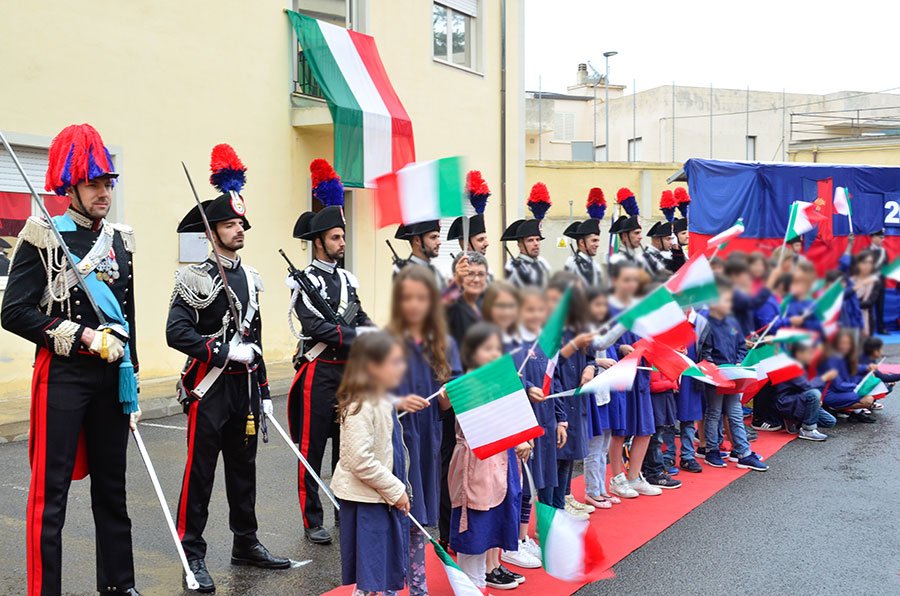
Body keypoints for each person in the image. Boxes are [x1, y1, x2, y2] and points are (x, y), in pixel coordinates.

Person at [1, 123, 140, 595]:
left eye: (108, 184)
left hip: (112, 378)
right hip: (63, 375)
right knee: (51, 493)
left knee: (113, 488)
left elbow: (128, 315)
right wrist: (81, 335)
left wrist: (133, 382)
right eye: (93, 184)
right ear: (71, 187)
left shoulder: (121, 240)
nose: (104, 193)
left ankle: (119, 585)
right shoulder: (42, 235)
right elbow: (14, 312)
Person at [168, 147, 289, 592]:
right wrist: (221, 353)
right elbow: (176, 332)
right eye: (230, 224)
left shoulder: (251, 278)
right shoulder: (194, 277)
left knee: (244, 470)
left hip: (245, 390)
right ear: (211, 231)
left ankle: (246, 543)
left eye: (241, 224)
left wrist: (265, 389)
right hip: (210, 387)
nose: (238, 230)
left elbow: (256, 339)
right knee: (200, 474)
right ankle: (191, 553)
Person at [288, 204, 373, 545]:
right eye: (335, 237)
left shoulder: (347, 280)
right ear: (319, 242)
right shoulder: (303, 281)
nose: (342, 243)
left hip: (348, 373)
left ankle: (344, 507)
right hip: (320, 371)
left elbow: (359, 314)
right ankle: (312, 519)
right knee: (312, 448)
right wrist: (357, 336)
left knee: (347, 446)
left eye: (343, 236)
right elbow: (314, 326)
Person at [386, 266, 461, 593]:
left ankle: (419, 587)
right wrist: (399, 401)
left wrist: (448, 394)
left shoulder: (442, 344)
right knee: (398, 514)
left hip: (428, 437)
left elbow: (445, 404)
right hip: (397, 438)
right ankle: (390, 584)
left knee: (419, 518)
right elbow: (366, 393)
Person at [449, 323, 531, 591]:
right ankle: (470, 585)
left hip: (501, 462)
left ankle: (482, 579)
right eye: (487, 349)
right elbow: (482, 423)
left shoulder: (498, 381)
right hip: (476, 463)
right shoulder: (464, 384)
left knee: (493, 521)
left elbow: (514, 419)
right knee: (474, 526)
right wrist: (516, 438)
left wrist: (523, 436)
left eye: (497, 349)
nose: (494, 354)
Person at [332, 331, 412, 596]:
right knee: (371, 570)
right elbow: (360, 460)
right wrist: (395, 489)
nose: (402, 367)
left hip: (378, 496)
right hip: (367, 500)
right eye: (395, 362)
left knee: (378, 568)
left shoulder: (380, 398)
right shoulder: (363, 403)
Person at [480, 282, 543, 570]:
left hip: (514, 419)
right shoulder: (486, 341)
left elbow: (516, 382)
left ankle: (510, 544)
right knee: (492, 493)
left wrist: (522, 429)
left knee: (514, 488)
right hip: (491, 428)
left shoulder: (512, 340)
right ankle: (494, 559)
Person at [606, 262, 663, 498]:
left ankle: (634, 476)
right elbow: (601, 342)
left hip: (641, 375)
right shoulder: (611, 308)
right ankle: (617, 478)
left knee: (645, 429)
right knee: (620, 430)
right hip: (622, 376)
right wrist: (620, 347)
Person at [699, 277, 768, 471]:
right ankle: (711, 450)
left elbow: (740, 346)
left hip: (734, 374)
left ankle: (743, 452)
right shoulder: (707, 324)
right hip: (716, 376)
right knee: (714, 412)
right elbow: (704, 351)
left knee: (735, 413)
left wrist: (738, 361)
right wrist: (714, 368)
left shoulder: (732, 322)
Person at [583, 287, 623, 508]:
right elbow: (595, 348)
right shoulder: (584, 328)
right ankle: (592, 490)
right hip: (593, 394)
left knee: (604, 445)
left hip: (606, 393)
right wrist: (599, 362)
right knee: (594, 446)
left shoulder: (603, 325)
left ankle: (601, 488)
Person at [776, 342, 838, 441]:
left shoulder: (803, 365)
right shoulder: (790, 366)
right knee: (814, 394)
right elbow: (807, 386)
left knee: (830, 421)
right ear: (799, 354)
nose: (812, 356)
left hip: (800, 399)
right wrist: (824, 377)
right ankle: (808, 430)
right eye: (809, 353)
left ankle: (794, 420)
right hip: (787, 402)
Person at [819, 330, 876, 423]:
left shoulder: (840, 355)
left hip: (836, 388)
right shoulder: (830, 359)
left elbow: (851, 367)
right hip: (828, 393)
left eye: (848, 343)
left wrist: (867, 368)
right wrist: (857, 386)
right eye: (843, 343)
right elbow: (838, 385)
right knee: (867, 399)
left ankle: (853, 411)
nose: (846, 346)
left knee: (868, 387)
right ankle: (833, 407)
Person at [395, 220, 446, 292]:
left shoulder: (435, 271)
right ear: (417, 240)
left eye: (438, 237)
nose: (439, 242)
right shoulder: (403, 272)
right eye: (433, 237)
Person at [502, 218, 551, 288]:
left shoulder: (542, 263)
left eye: (537, 239)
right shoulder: (513, 267)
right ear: (520, 244)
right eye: (530, 240)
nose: (536, 243)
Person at [563, 218, 605, 287]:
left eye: (598, 241)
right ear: (582, 242)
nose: (597, 245)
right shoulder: (572, 263)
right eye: (594, 240)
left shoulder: (595, 264)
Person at [850, 250, 881, 337]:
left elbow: (869, 303)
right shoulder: (851, 280)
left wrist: (851, 304)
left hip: (866, 321)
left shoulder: (874, 281)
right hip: (849, 319)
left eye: (870, 263)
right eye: (864, 262)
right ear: (858, 264)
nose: (867, 265)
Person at [869, 230, 888, 334]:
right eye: (880, 237)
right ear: (874, 237)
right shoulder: (866, 251)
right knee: (868, 307)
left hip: (880, 284)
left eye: (883, 237)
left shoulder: (884, 252)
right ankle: (869, 328)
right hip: (869, 283)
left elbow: (885, 267)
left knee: (880, 307)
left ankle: (881, 328)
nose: (882, 240)